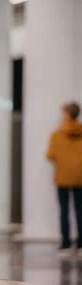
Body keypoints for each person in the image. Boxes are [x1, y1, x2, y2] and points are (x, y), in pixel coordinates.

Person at [46, 102, 82, 254]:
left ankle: (65, 242)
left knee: (64, 210)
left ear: (67, 114)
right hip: (80, 177)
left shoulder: (56, 134)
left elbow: (50, 155)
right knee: (80, 210)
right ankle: (80, 243)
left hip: (62, 177)